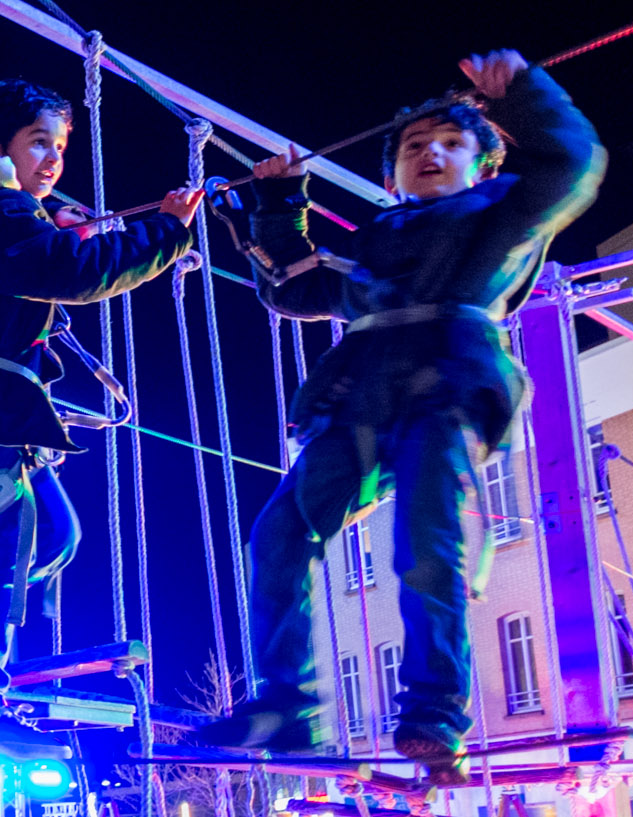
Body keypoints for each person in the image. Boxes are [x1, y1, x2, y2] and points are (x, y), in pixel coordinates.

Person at [198, 51, 604, 777]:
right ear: (391, 175)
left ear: (483, 165)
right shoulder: (376, 245)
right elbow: (294, 285)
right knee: (280, 533)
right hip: (358, 397)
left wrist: (520, 95)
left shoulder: (503, 214)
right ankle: (288, 702)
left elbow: (573, 162)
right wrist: (279, 200)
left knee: (427, 535)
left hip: (445, 382)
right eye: (414, 147)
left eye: (451, 143)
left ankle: (434, 706)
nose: (430, 153)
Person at [0, 77, 202, 743]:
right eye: (40, 142)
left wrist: (57, 233)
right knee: (4, 541)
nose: (55, 159)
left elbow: (38, 266)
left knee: (53, 535)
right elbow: (72, 271)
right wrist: (166, 233)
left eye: (60, 145)